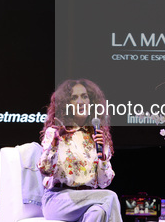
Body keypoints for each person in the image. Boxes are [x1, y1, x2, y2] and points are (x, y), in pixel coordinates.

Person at [38, 79, 123, 222]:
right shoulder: (55, 133)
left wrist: (102, 159)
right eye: (74, 97)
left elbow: (104, 183)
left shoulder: (98, 135)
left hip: (90, 199)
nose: (81, 101)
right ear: (67, 104)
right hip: (58, 200)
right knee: (110, 197)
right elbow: (46, 170)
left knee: (98, 212)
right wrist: (55, 143)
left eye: (85, 96)